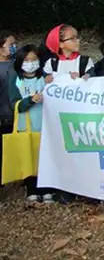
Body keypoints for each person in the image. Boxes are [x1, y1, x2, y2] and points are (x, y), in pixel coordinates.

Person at [8, 45, 55, 203]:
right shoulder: (16, 79)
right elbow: (16, 105)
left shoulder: (46, 78)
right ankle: (32, 189)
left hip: (45, 126)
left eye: (34, 59)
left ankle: (47, 189)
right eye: (26, 60)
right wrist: (30, 100)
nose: (31, 63)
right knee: (29, 158)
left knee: (45, 158)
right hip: (25, 126)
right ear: (20, 62)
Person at [0, 30, 18, 150]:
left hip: (19, 116)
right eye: (11, 45)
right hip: (4, 119)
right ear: (1, 49)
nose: (15, 47)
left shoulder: (19, 63)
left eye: (15, 44)